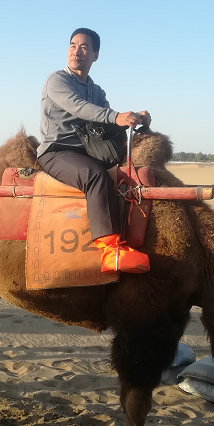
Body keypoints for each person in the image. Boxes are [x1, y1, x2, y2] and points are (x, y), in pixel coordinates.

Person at [37, 28, 151, 273]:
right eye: (72, 45)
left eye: (84, 47)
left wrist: (136, 120)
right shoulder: (57, 80)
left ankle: (133, 238)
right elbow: (80, 108)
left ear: (95, 55)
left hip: (86, 152)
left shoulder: (97, 91)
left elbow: (107, 121)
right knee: (95, 176)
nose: (76, 51)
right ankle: (110, 251)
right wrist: (116, 116)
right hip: (57, 152)